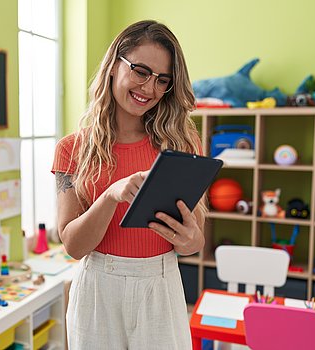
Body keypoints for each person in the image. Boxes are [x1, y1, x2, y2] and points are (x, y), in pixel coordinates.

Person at [51, 20, 205, 349]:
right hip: (97, 289)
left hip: (160, 285)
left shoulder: (182, 143)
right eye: (140, 71)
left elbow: (192, 241)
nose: (149, 88)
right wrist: (110, 195)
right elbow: (74, 247)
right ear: (113, 66)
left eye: (162, 80)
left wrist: (192, 239)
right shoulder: (71, 149)